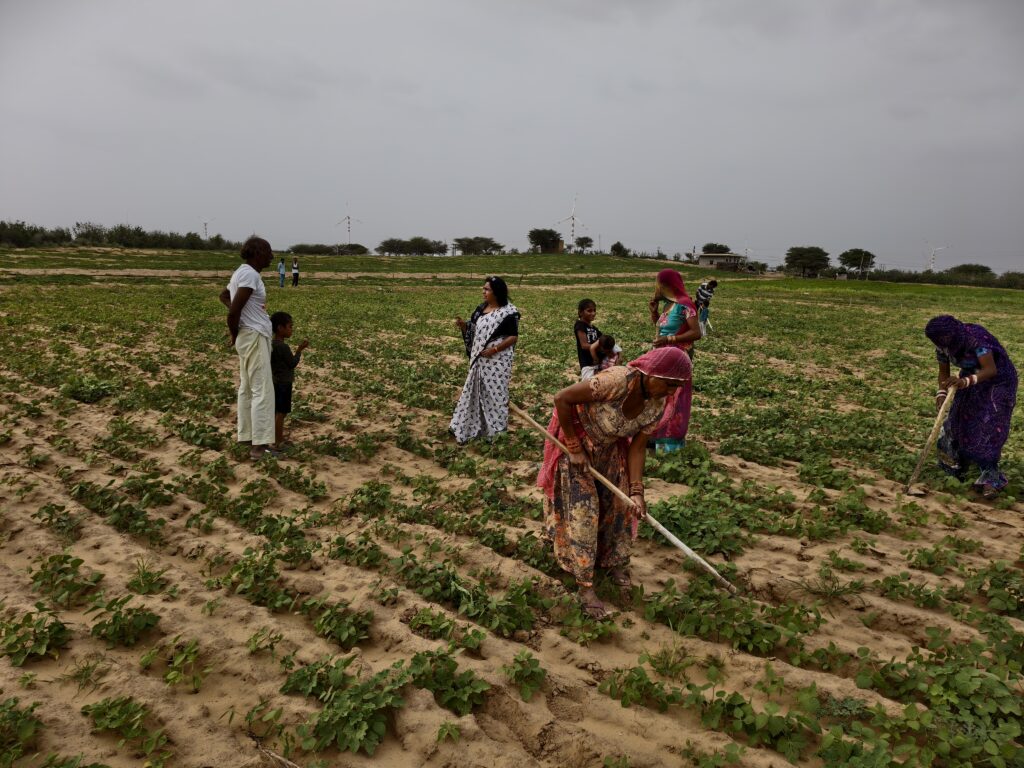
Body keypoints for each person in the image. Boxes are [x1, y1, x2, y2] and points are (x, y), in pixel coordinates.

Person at [537, 347, 692, 618]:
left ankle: (612, 561)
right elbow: (562, 398)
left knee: (618, 510)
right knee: (583, 512)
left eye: (676, 387)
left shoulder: (658, 405)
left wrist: (636, 492)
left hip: (610, 450)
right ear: (649, 373)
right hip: (578, 446)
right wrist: (573, 447)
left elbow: (637, 447)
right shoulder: (615, 381)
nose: (671, 392)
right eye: (668, 384)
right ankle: (585, 585)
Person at [925, 315, 1017, 499]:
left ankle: (992, 478)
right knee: (958, 420)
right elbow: (944, 372)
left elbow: (990, 369)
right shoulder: (943, 346)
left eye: (943, 341)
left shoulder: (976, 340)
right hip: (968, 379)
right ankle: (957, 468)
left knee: (988, 425)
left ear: (952, 335)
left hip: (998, 382)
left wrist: (965, 381)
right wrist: (941, 393)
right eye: (938, 342)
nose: (942, 345)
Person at [218, 236, 277, 460]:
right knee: (262, 389)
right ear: (257, 252)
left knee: (248, 387)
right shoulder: (250, 274)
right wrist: (236, 329)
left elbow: (225, 296)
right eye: (268, 251)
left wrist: (246, 313)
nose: (271, 256)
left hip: (248, 333)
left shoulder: (241, 272)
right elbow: (232, 311)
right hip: (253, 335)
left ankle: (247, 437)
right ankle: (260, 446)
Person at [449, 276, 520, 444]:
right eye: (484, 289)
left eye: (487, 289)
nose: (483, 292)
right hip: (480, 359)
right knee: (474, 391)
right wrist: (463, 326)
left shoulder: (508, 312)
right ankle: (472, 429)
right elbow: (473, 331)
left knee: (496, 395)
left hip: (497, 361)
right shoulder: (481, 309)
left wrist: (494, 349)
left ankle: (495, 432)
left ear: (497, 292)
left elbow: (513, 337)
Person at [647, 268, 701, 452]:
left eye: (660, 283)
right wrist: (654, 313)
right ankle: (654, 437)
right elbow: (661, 328)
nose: (657, 287)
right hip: (662, 357)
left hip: (677, 359)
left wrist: (669, 340)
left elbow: (696, 333)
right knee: (657, 396)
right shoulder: (668, 305)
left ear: (667, 285)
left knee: (674, 398)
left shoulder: (686, 305)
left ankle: (670, 441)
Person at [270, 311, 309, 451]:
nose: (291, 329)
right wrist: (299, 350)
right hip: (284, 383)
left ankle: (276, 438)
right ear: (280, 328)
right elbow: (292, 363)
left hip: (275, 381)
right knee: (281, 413)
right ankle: (278, 442)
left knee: (276, 412)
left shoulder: (271, 344)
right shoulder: (282, 346)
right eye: (290, 326)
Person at [574, 298, 603, 372]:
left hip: (598, 363)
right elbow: (584, 345)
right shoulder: (580, 325)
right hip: (588, 364)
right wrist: (599, 346)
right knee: (588, 382)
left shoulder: (594, 328)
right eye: (589, 311)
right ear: (580, 313)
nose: (593, 313)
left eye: (594, 310)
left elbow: (604, 339)